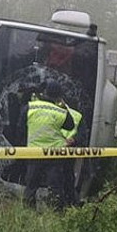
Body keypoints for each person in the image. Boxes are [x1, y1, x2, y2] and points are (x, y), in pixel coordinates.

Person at [22, 80, 83, 210]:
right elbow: (70, 125)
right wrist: (62, 106)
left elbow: (20, 127)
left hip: (34, 153)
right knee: (55, 186)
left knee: (31, 185)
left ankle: (27, 211)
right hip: (54, 154)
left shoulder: (30, 107)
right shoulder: (60, 112)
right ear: (59, 96)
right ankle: (56, 212)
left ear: (45, 92)